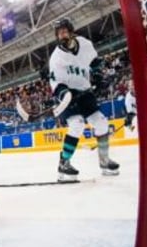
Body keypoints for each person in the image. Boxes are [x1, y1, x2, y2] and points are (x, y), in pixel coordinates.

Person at [48, 18, 119, 181]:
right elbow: (55, 82)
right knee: (77, 124)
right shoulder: (56, 57)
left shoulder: (84, 44)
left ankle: (104, 161)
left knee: (101, 122)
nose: (62, 35)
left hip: (85, 92)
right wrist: (64, 94)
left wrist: (99, 76)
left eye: (64, 31)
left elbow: (94, 62)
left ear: (71, 31)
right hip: (68, 95)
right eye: (59, 34)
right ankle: (64, 163)